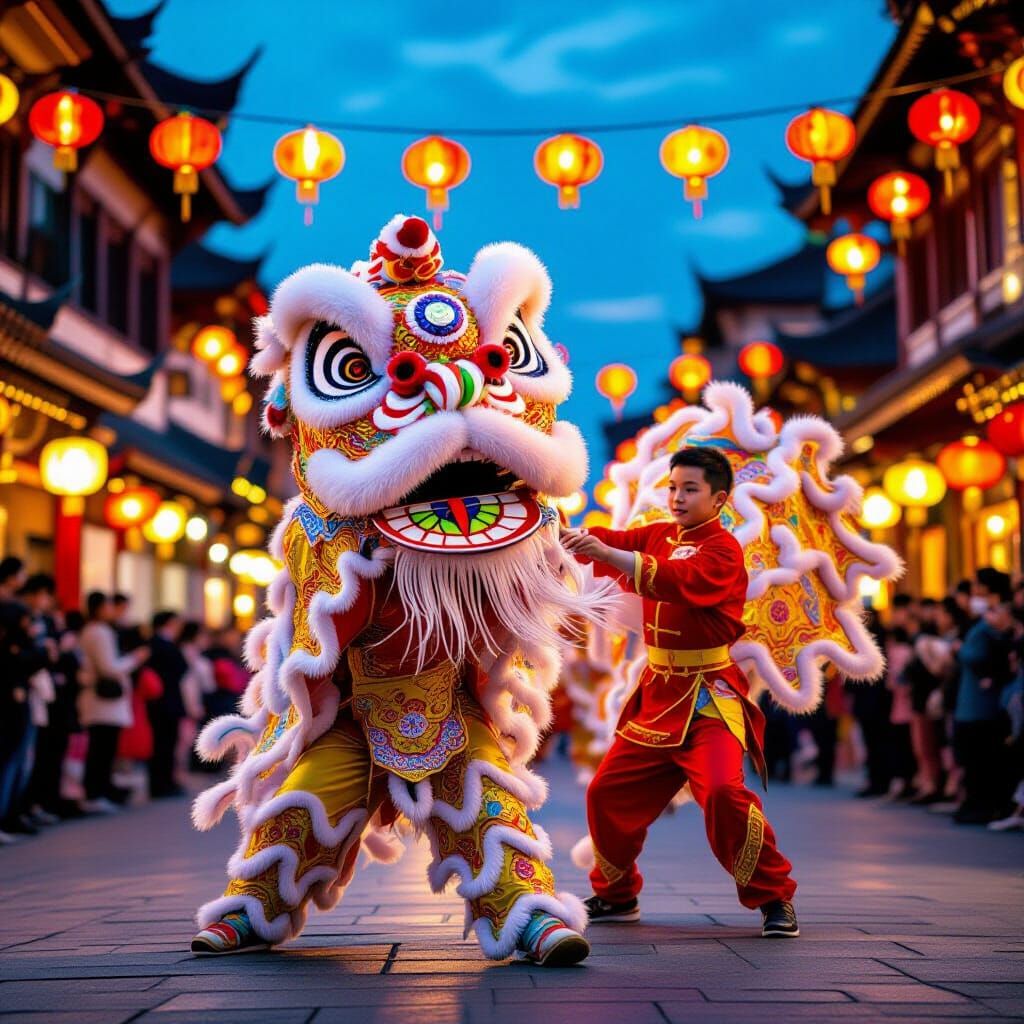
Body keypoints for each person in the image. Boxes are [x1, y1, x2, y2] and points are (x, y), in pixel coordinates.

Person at [562, 446, 799, 938]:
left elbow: (678, 579)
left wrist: (608, 555)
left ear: (719, 499)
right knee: (606, 792)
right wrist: (557, 530)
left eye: (690, 489)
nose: (676, 497)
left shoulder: (723, 550)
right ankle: (616, 893)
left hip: (710, 698)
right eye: (673, 487)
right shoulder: (657, 534)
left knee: (721, 792)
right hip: (657, 696)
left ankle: (774, 897)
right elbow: (610, 539)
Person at [952, 570, 1016, 825]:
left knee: (983, 760)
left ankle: (986, 805)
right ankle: (974, 802)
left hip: (985, 703)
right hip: (970, 700)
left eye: (978, 586)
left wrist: (962, 651)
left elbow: (993, 655)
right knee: (971, 758)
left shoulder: (996, 620)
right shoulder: (979, 620)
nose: (974, 592)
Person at [78, 592, 149, 813]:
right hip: (103, 702)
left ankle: (98, 792)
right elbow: (109, 667)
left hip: (102, 702)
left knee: (102, 749)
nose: (113, 610)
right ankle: (95, 793)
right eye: (108, 606)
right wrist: (135, 659)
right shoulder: (99, 632)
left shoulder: (95, 631)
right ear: (99, 608)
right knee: (101, 749)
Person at [146, 611, 189, 798]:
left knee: (166, 743)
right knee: (163, 743)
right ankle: (161, 784)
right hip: (164, 701)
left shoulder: (155, 644)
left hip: (162, 701)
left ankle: (164, 782)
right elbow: (181, 668)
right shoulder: (162, 644)